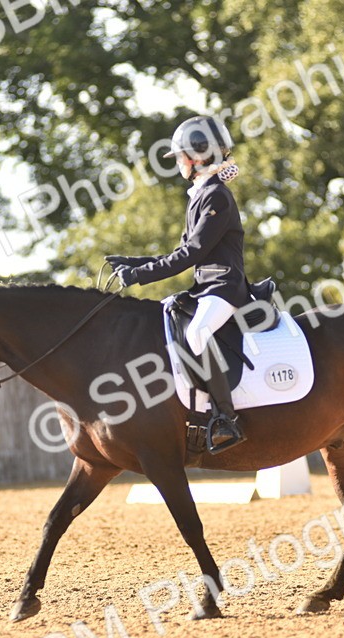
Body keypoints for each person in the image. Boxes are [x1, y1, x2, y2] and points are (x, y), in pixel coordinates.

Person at [106, 115, 249, 454]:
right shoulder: (201, 194)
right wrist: (133, 263)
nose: (178, 163)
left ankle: (226, 419)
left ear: (197, 157)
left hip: (224, 287)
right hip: (207, 288)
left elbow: (192, 253)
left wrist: (140, 276)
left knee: (198, 333)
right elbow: (180, 251)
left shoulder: (217, 196)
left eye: (181, 156)